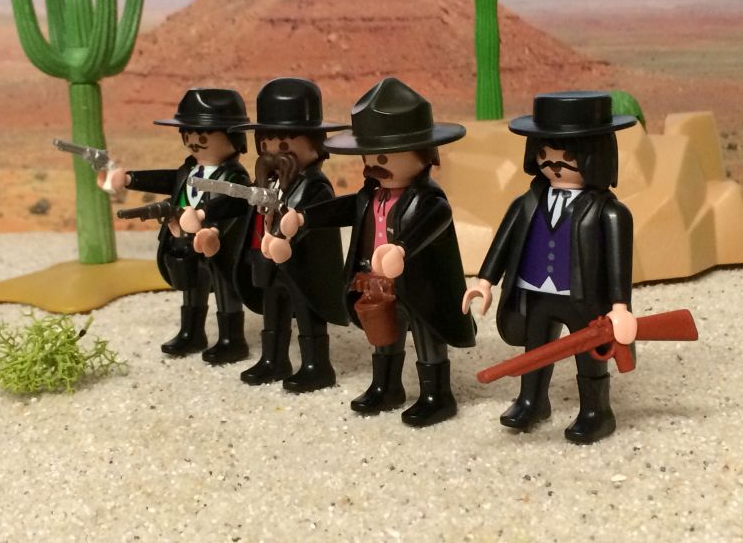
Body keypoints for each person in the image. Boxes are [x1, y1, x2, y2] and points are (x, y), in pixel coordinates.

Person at [273, 77, 476, 427]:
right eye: (368, 156)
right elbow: (342, 208)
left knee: (426, 336)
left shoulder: (429, 200)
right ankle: (386, 387)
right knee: (383, 334)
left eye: (382, 157)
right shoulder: (371, 195)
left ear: (423, 152)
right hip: (374, 281)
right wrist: (304, 217)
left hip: (419, 286)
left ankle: (437, 396)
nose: (372, 165)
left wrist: (402, 249)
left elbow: (431, 223)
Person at [462, 90, 638, 444]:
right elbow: (503, 242)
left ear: (594, 156)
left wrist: (620, 308)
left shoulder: (610, 212)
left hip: (583, 297)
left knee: (590, 355)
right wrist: (484, 281)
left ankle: (596, 412)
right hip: (535, 292)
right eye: (545, 155)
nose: (554, 165)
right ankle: (532, 401)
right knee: (536, 348)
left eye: (567, 157)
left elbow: (619, 264)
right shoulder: (527, 202)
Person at [184, 78, 349, 392]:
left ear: (316, 144)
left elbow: (315, 220)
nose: (274, 154)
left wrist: (288, 233)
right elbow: (239, 202)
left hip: (301, 265)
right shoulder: (267, 182)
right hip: (265, 259)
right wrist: (206, 213)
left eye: (284, 146)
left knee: (307, 312)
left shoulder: (314, 185)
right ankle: (273, 360)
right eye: (267, 145)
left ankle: (316, 366)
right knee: (273, 311)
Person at [102, 88, 253, 363]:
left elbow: (235, 203)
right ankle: (191, 333)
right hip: (185, 240)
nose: (194, 142)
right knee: (192, 284)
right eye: (188, 135)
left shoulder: (235, 177)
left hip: (220, 243)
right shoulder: (188, 170)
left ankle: (232, 340)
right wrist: (131, 178)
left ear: (232, 137)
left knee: (225, 288)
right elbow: (165, 179)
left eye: (203, 137)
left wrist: (205, 218)